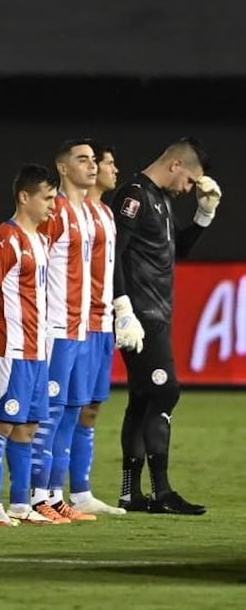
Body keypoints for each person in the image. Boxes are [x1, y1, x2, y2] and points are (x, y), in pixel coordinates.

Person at [113, 137, 219, 515]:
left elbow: (177, 253)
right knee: (165, 392)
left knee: (143, 399)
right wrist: (121, 306)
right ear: (176, 165)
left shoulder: (162, 200)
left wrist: (204, 215)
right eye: (191, 182)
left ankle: (131, 493)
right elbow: (114, 253)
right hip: (140, 315)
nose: (189, 189)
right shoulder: (135, 196)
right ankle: (162, 493)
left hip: (156, 314)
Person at [0, 164, 58, 526]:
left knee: (27, 428)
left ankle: (21, 505)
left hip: (37, 351)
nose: (53, 206)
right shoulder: (4, 238)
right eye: (47, 198)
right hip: (11, 348)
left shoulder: (40, 240)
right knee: (2, 425)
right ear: (25, 197)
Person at [29, 139, 98, 523]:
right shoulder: (56, 214)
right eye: (82, 159)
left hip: (78, 327)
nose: (91, 166)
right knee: (51, 414)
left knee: (71, 411)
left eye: (92, 160)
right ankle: (37, 495)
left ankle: (55, 495)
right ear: (63, 167)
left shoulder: (85, 212)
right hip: (54, 328)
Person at [68, 142, 126, 516]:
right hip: (77, 323)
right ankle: (46, 492)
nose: (112, 170)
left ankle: (81, 491)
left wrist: (120, 310)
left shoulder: (104, 212)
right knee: (67, 408)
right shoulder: (70, 211)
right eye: (108, 163)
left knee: (90, 409)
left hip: (101, 323)